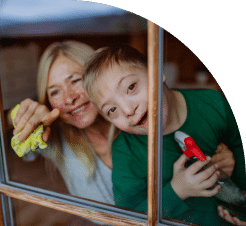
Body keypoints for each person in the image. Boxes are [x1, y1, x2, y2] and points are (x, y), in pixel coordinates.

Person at [11, 40, 237, 225]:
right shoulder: (56, 137)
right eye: (55, 92)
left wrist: (223, 162)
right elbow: (18, 145)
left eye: (76, 81)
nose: (69, 98)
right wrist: (19, 116)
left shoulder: (154, 120)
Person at [82, 44, 246, 226]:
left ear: (157, 73)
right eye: (112, 109)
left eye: (131, 87)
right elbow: (128, 218)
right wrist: (177, 190)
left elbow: (239, 145)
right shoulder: (125, 152)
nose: (128, 110)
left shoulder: (214, 103)